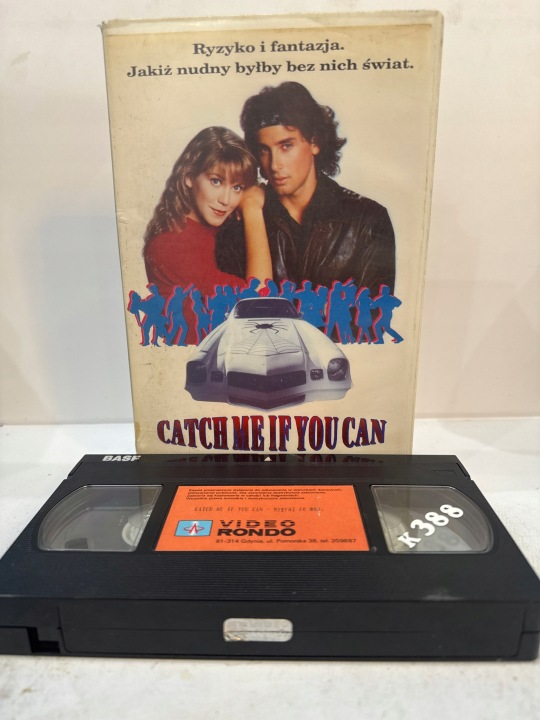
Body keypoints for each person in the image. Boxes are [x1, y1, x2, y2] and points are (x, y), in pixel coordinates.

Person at [215, 82, 395, 298]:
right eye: (264, 150)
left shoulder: (368, 221)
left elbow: (372, 315)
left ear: (314, 142)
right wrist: (251, 210)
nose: (274, 165)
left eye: (286, 146)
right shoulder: (238, 224)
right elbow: (242, 311)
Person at [143, 126, 272, 343]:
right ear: (189, 177)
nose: (225, 200)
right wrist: (251, 207)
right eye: (216, 181)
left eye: (237, 187)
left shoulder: (217, 228)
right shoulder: (169, 245)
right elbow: (259, 300)